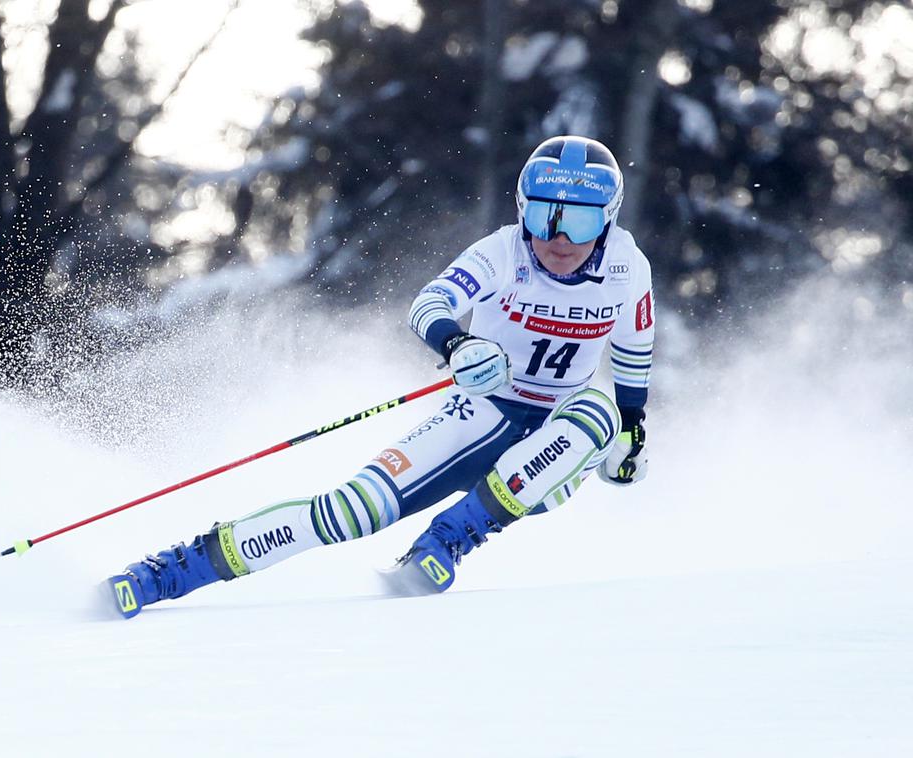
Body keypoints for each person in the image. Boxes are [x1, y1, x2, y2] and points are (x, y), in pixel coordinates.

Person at [105, 135, 655, 618]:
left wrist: (633, 428)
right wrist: (456, 343)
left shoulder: (628, 268)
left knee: (599, 411)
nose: (558, 238)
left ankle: (447, 541)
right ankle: (168, 572)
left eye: (579, 219)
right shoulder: (503, 252)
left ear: (607, 219)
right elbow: (430, 303)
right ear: (522, 211)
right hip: (480, 411)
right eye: (543, 216)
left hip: (555, 442)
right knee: (350, 511)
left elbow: (634, 348)